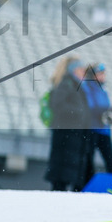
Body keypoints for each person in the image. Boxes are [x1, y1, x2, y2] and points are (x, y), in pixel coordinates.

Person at [44, 57, 93, 191]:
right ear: (73, 70)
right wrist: (78, 112)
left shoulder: (77, 85)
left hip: (74, 134)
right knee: (62, 171)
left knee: (69, 170)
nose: (83, 72)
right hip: (66, 133)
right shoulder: (66, 84)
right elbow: (57, 104)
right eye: (80, 69)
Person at [81, 62, 112, 183]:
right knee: (88, 162)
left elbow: (106, 107)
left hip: (104, 130)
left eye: (103, 73)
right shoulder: (86, 87)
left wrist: (110, 114)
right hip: (91, 130)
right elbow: (90, 107)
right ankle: (86, 186)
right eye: (100, 73)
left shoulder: (103, 90)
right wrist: (102, 112)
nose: (103, 76)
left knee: (111, 162)